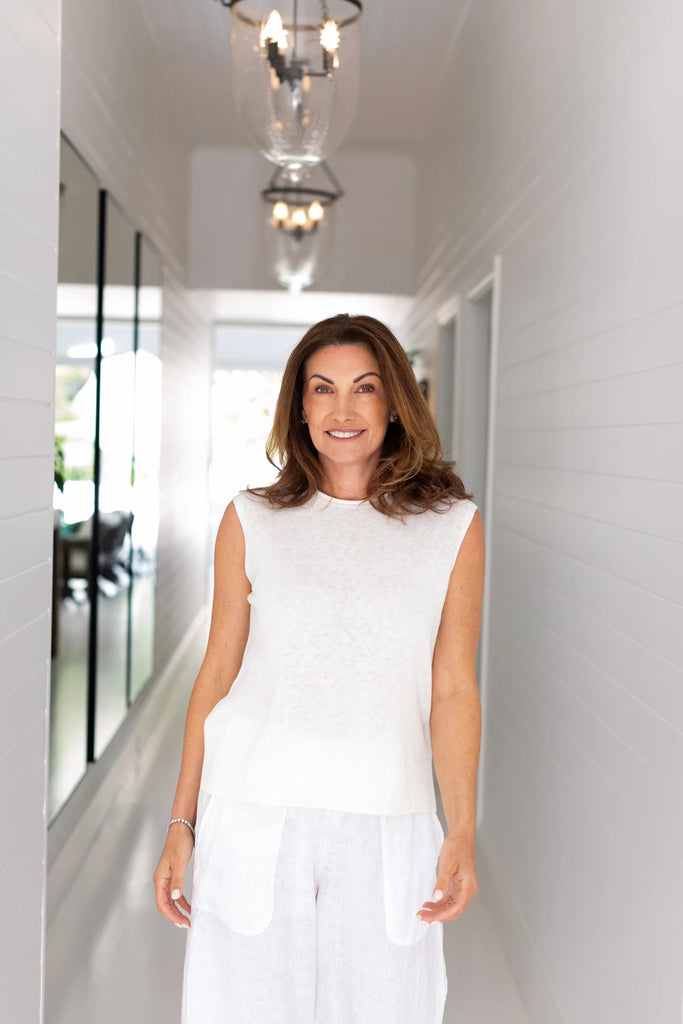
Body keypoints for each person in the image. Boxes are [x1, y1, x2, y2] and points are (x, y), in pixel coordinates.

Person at [152, 313, 485, 1023]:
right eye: (322, 388)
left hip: (387, 821)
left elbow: (454, 686)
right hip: (254, 811)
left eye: (364, 387)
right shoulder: (251, 519)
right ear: (299, 407)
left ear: (393, 402)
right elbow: (217, 674)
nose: (342, 410)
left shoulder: (452, 525)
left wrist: (461, 828)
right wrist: (182, 820)